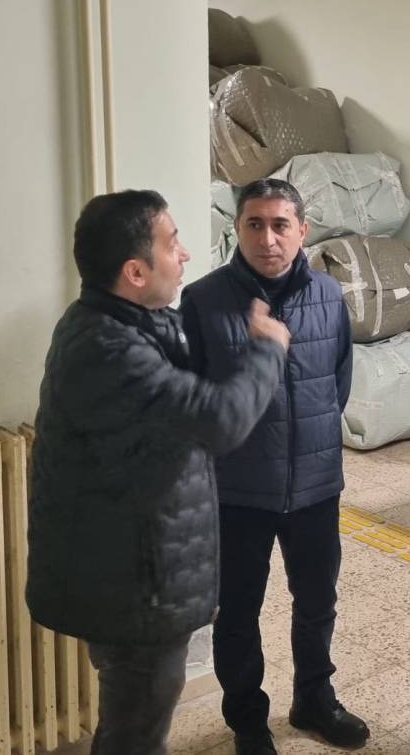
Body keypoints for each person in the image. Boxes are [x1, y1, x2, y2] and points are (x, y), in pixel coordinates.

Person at [27, 189, 291, 755]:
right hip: (133, 587)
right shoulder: (108, 349)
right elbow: (220, 420)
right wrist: (267, 349)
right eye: (172, 244)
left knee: (131, 716)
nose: (186, 254)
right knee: (138, 727)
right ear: (135, 271)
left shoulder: (115, 319)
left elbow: (177, 355)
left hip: (126, 570)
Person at [180, 178, 365, 754]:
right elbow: (195, 399)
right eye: (254, 224)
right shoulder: (204, 300)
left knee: (317, 603)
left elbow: (337, 382)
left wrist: (314, 443)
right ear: (236, 229)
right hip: (238, 492)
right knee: (238, 612)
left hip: (316, 486)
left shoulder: (329, 294)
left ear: (302, 230)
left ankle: (314, 699)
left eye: (280, 225)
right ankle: (248, 722)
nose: (268, 238)